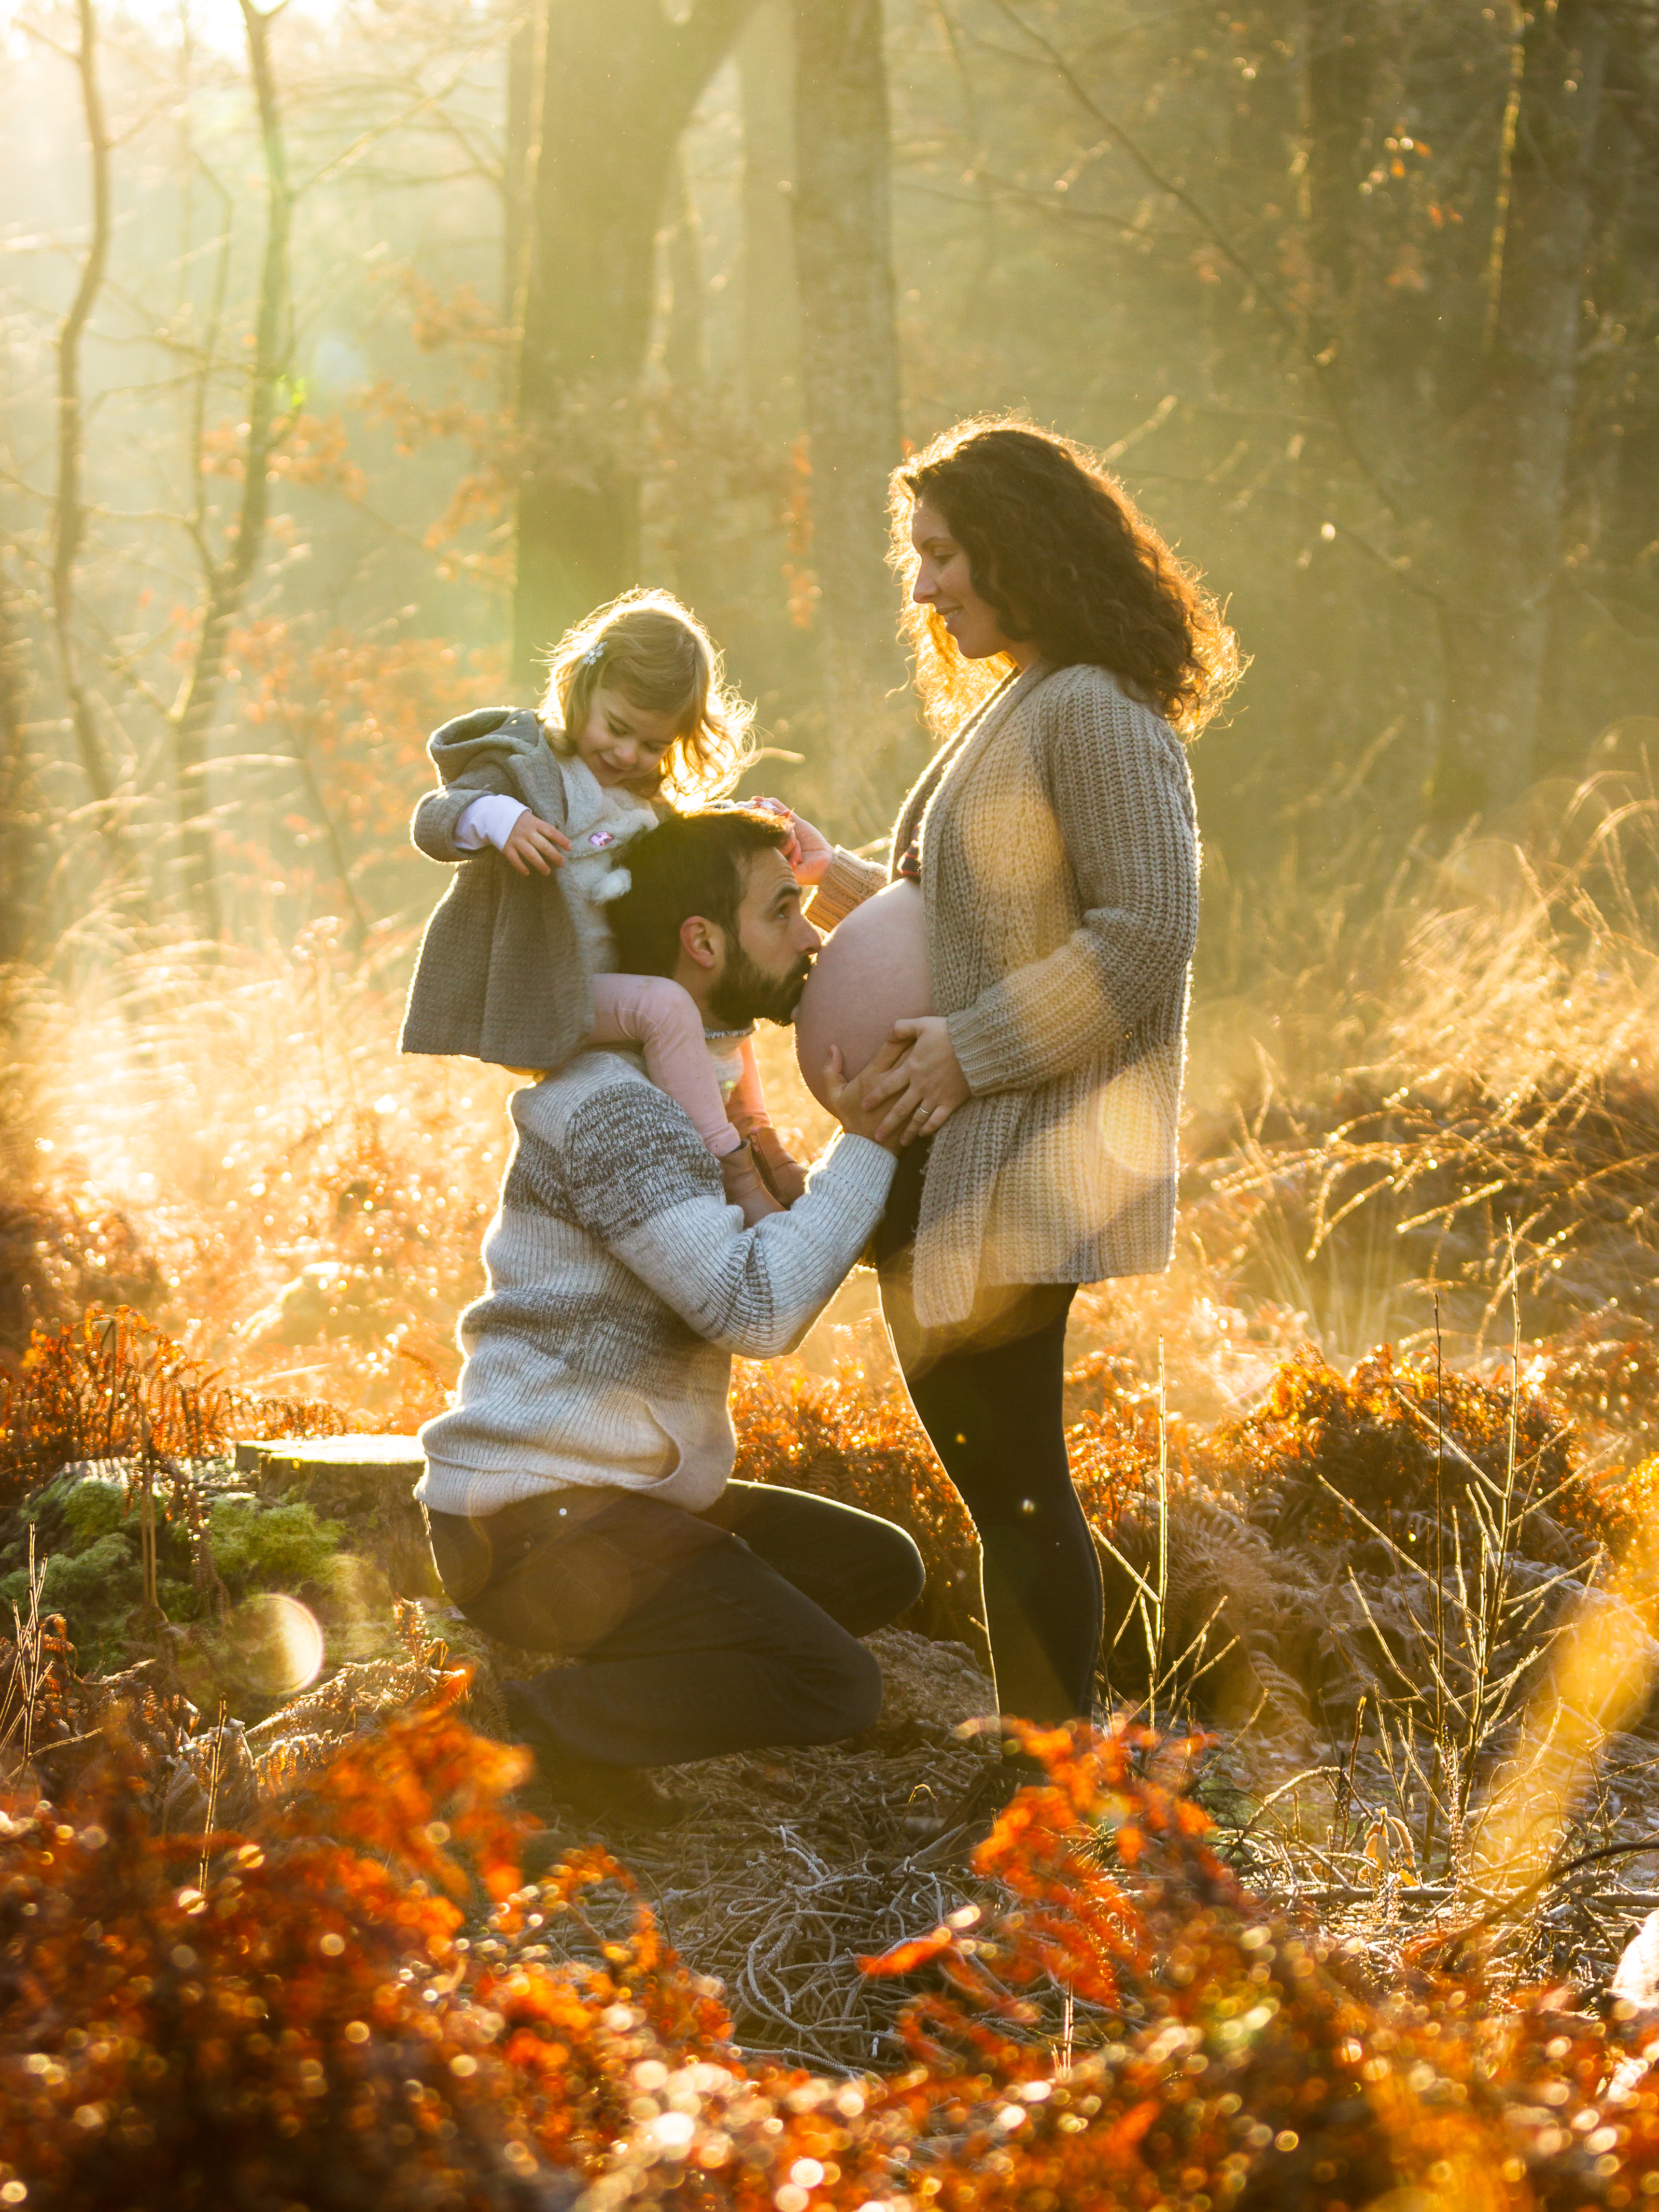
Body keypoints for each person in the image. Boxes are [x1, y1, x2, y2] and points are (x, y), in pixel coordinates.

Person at [792, 417, 1237, 1847]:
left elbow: (1142, 937)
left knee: (1016, 1482)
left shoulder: (1099, 710)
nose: (923, 588)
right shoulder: (1034, 692)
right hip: (954, 1151)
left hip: (1017, 1155)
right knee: (1005, 1482)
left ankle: (1050, 1783)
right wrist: (839, 883)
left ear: (1023, 547)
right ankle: (1044, 1763)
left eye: (942, 554)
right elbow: (981, 917)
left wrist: (969, 1053)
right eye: (914, 556)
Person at [416, 807, 923, 1834]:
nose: (811, 936)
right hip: (533, 1523)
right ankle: (522, 1730)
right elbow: (755, 1305)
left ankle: (616, 1709)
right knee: (832, 1685)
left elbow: (774, 1257)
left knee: (880, 1569)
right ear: (702, 941)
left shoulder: (691, 1089)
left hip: (619, 1503)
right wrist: (863, 1146)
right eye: (782, 911)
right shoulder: (618, 1109)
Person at [400, 587, 836, 1223]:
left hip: (613, 980)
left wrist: (745, 825)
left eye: (654, 746)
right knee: (668, 1005)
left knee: (719, 999)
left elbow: (677, 850)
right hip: (552, 988)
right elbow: (434, 819)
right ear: (583, 684)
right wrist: (500, 819)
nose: (629, 755)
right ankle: (735, 1174)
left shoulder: (638, 800)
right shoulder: (531, 766)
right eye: (618, 728)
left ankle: (762, 1141)